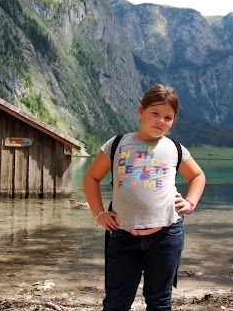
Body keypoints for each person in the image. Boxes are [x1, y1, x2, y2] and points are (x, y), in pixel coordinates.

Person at [84, 83, 206, 311]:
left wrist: (190, 202)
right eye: (155, 114)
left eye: (168, 118)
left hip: (167, 235)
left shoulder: (175, 148)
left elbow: (197, 176)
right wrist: (98, 214)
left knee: (159, 301)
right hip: (122, 235)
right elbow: (91, 178)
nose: (161, 121)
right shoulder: (117, 144)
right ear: (141, 112)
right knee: (116, 303)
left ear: (173, 121)